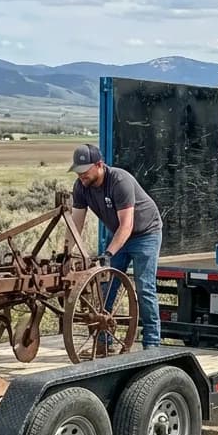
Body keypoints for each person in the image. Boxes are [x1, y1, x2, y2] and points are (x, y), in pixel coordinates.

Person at [66, 144, 163, 349]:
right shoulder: (81, 187)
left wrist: (108, 253)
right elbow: (76, 223)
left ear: (99, 165)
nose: (81, 175)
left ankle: (152, 344)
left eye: (84, 171)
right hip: (119, 233)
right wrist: (67, 252)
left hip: (145, 233)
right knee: (106, 286)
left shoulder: (120, 181)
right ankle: (104, 340)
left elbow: (127, 225)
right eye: (78, 171)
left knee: (145, 287)